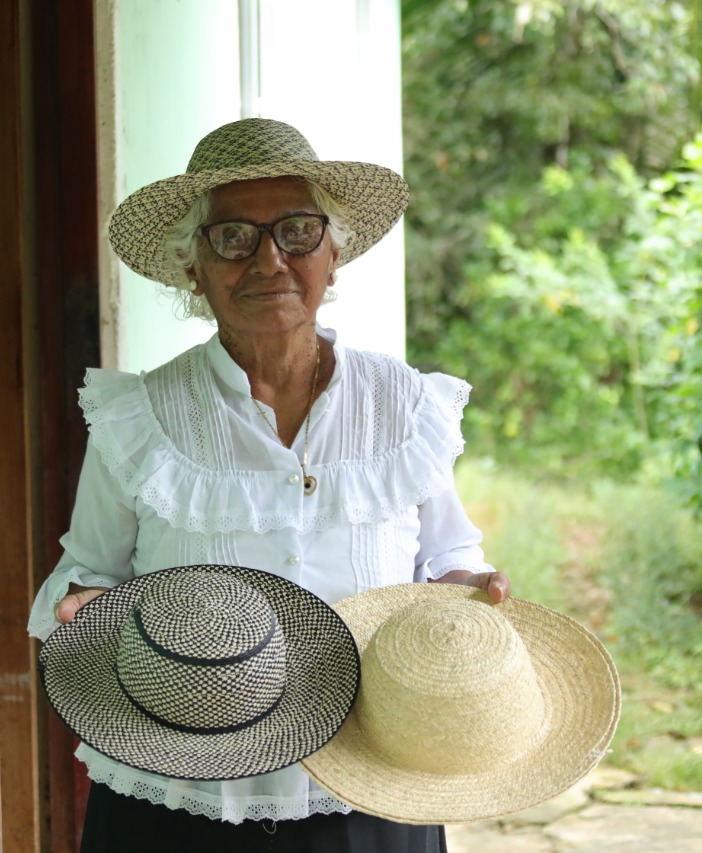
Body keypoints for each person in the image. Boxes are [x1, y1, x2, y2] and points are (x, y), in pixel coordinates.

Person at [28, 117, 511, 853]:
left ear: (334, 252)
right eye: (232, 237)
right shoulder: (142, 418)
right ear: (192, 265)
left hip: (365, 787)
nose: (269, 260)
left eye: (296, 231)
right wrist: (88, 605)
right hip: (183, 799)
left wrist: (471, 587)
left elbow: (443, 557)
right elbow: (85, 571)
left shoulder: (404, 406)